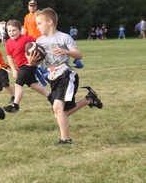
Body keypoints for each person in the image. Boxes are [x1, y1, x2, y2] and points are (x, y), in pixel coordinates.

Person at [33, 8, 103, 145]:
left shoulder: (64, 37)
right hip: (53, 77)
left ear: (50, 22)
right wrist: (31, 60)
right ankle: (88, 100)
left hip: (66, 74)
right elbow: (37, 61)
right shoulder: (39, 41)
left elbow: (79, 54)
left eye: (40, 23)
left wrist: (66, 52)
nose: (37, 26)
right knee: (60, 112)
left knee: (58, 108)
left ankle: (65, 140)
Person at [5, 20, 51, 113]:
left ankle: (15, 105)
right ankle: (51, 97)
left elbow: (39, 44)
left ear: (20, 29)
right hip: (20, 67)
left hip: (29, 65)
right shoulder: (8, 42)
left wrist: (37, 57)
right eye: (9, 31)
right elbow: (9, 57)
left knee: (18, 84)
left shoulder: (26, 38)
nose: (11, 33)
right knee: (33, 85)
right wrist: (13, 69)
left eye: (14, 30)